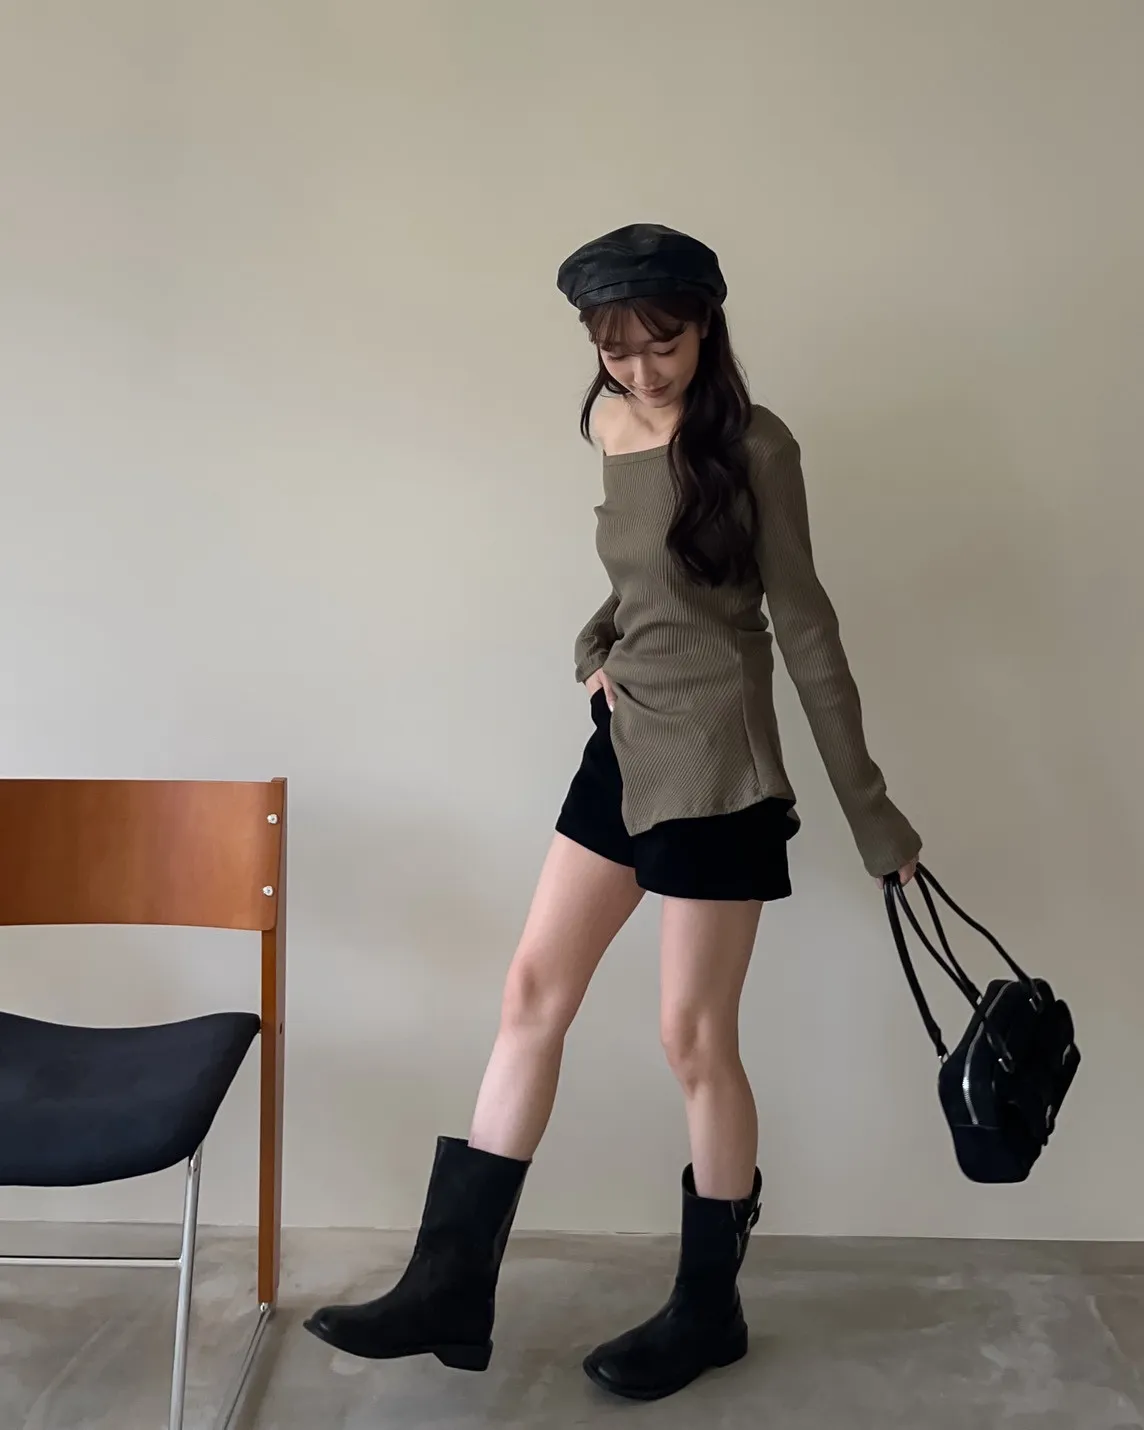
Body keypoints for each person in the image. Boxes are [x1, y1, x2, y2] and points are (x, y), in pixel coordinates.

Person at [305, 223, 922, 1401]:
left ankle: (708, 1308)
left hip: (718, 766)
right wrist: (593, 648)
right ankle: (449, 1285)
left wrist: (872, 815)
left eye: (663, 344)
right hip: (623, 747)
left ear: (708, 326)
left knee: (692, 1037)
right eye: (614, 348)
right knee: (530, 991)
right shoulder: (606, 423)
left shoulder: (756, 443)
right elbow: (642, 581)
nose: (640, 370)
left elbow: (802, 626)